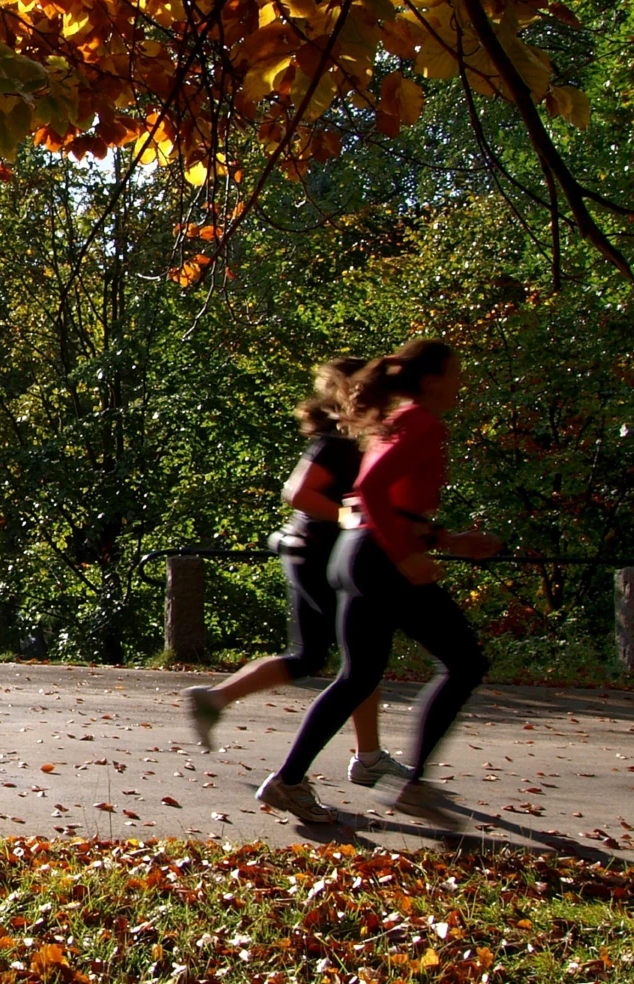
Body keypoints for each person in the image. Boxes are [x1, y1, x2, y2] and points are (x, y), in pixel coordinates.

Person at [255, 339, 502, 827]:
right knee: (464, 661)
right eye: (457, 373)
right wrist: (408, 555)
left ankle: (288, 781)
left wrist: (447, 539)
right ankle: (413, 787)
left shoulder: (395, 423)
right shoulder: (422, 422)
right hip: (380, 559)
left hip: (356, 553)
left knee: (359, 676)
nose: (462, 382)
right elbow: (371, 492)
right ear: (432, 381)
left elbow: (386, 503)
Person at [182, 358, 410, 789]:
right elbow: (297, 492)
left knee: (348, 659)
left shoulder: (352, 439)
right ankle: (365, 757)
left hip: (323, 553)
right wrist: (353, 518)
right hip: (319, 555)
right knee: (345, 659)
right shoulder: (338, 440)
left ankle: (368, 754)